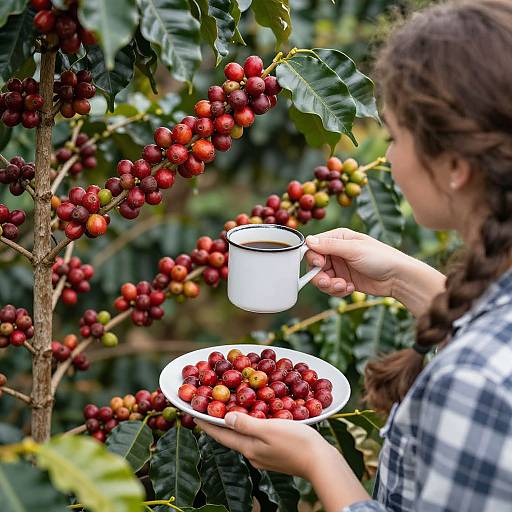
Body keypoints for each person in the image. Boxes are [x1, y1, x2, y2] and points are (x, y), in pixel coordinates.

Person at [197, 1, 512, 510]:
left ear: (455, 165)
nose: (386, 158)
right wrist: (406, 282)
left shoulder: (473, 385)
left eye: (394, 136)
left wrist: (318, 461)